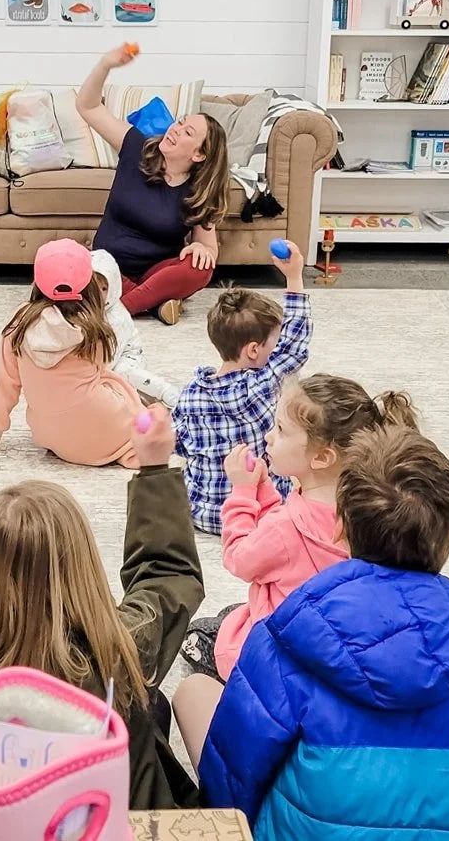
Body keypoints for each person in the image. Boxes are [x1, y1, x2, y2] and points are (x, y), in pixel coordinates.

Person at [174, 426, 449, 841]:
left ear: (341, 527)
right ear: (448, 540)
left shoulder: (285, 632)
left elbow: (234, 769)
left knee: (194, 689)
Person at [0, 406, 205, 811]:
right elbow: (168, 573)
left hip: (17, 823)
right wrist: (154, 469)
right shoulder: (127, 644)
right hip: (116, 820)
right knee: (148, 702)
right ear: (83, 563)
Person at [182, 375, 418, 681]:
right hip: (337, 639)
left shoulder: (287, 528)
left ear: (321, 456)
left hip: (286, 656)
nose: (268, 437)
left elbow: (241, 559)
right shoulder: (367, 507)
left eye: (280, 430)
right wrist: (264, 492)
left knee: (202, 632)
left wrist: (242, 493)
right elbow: (285, 548)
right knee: (233, 612)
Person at [77, 46, 230, 325]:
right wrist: (105, 64)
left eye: (187, 132)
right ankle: (155, 304)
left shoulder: (199, 191)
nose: (174, 129)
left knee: (200, 270)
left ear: (198, 154)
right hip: (106, 268)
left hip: (158, 272)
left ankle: (116, 311)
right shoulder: (135, 145)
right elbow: (87, 107)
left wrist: (202, 250)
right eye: (179, 123)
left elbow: (208, 249)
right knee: (67, 262)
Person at [0, 239, 145, 467]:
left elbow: (4, 385)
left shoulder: (19, 322)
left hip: (49, 435)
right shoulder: (95, 328)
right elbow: (101, 371)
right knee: (118, 385)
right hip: (103, 427)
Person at [174, 244, 311, 535]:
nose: (276, 352)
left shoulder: (190, 394)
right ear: (253, 350)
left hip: (202, 513)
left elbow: (179, 445)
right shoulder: (259, 386)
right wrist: (294, 279)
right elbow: (295, 345)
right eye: (272, 346)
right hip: (260, 514)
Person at [91, 249, 181, 409]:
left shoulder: (116, 317)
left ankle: (167, 392)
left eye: (104, 289)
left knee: (123, 373)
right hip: (101, 356)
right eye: (93, 288)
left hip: (125, 355)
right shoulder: (86, 309)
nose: (99, 294)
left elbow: (110, 356)